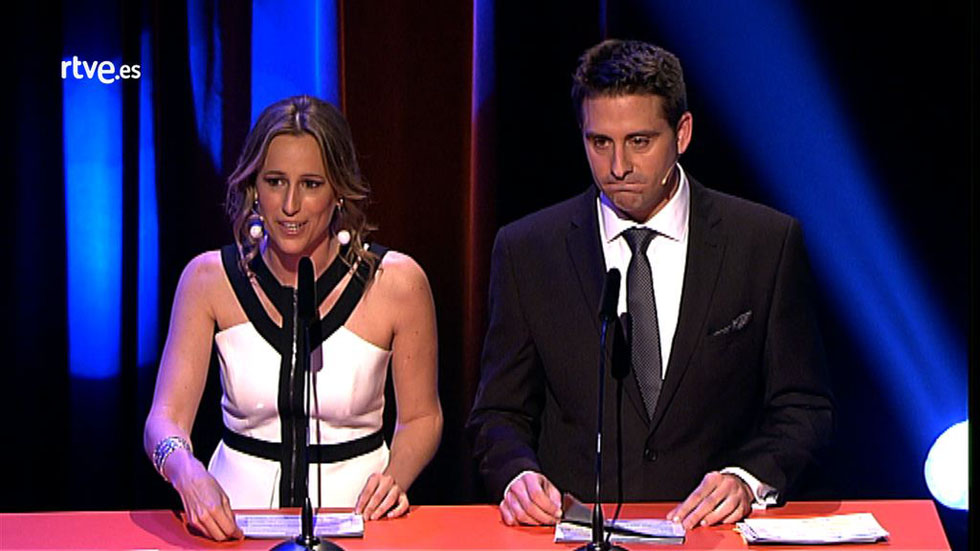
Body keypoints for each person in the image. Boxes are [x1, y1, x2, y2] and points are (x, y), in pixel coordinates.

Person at [467, 39, 833, 531]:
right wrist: (517, 475)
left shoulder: (764, 243)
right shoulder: (528, 251)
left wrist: (746, 479)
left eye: (639, 141)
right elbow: (497, 413)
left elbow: (803, 407)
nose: (618, 167)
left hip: (711, 533)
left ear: (682, 133)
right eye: (600, 142)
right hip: (579, 533)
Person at [144, 95, 442, 541]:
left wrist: (394, 478)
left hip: (360, 527)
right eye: (275, 181)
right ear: (254, 187)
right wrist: (186, 472)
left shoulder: (397, 284)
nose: (289, 205)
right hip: (231, 529)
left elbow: (422, 418)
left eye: (311, 184)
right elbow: (163, 419)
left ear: (339, 190)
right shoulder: (208, 280)